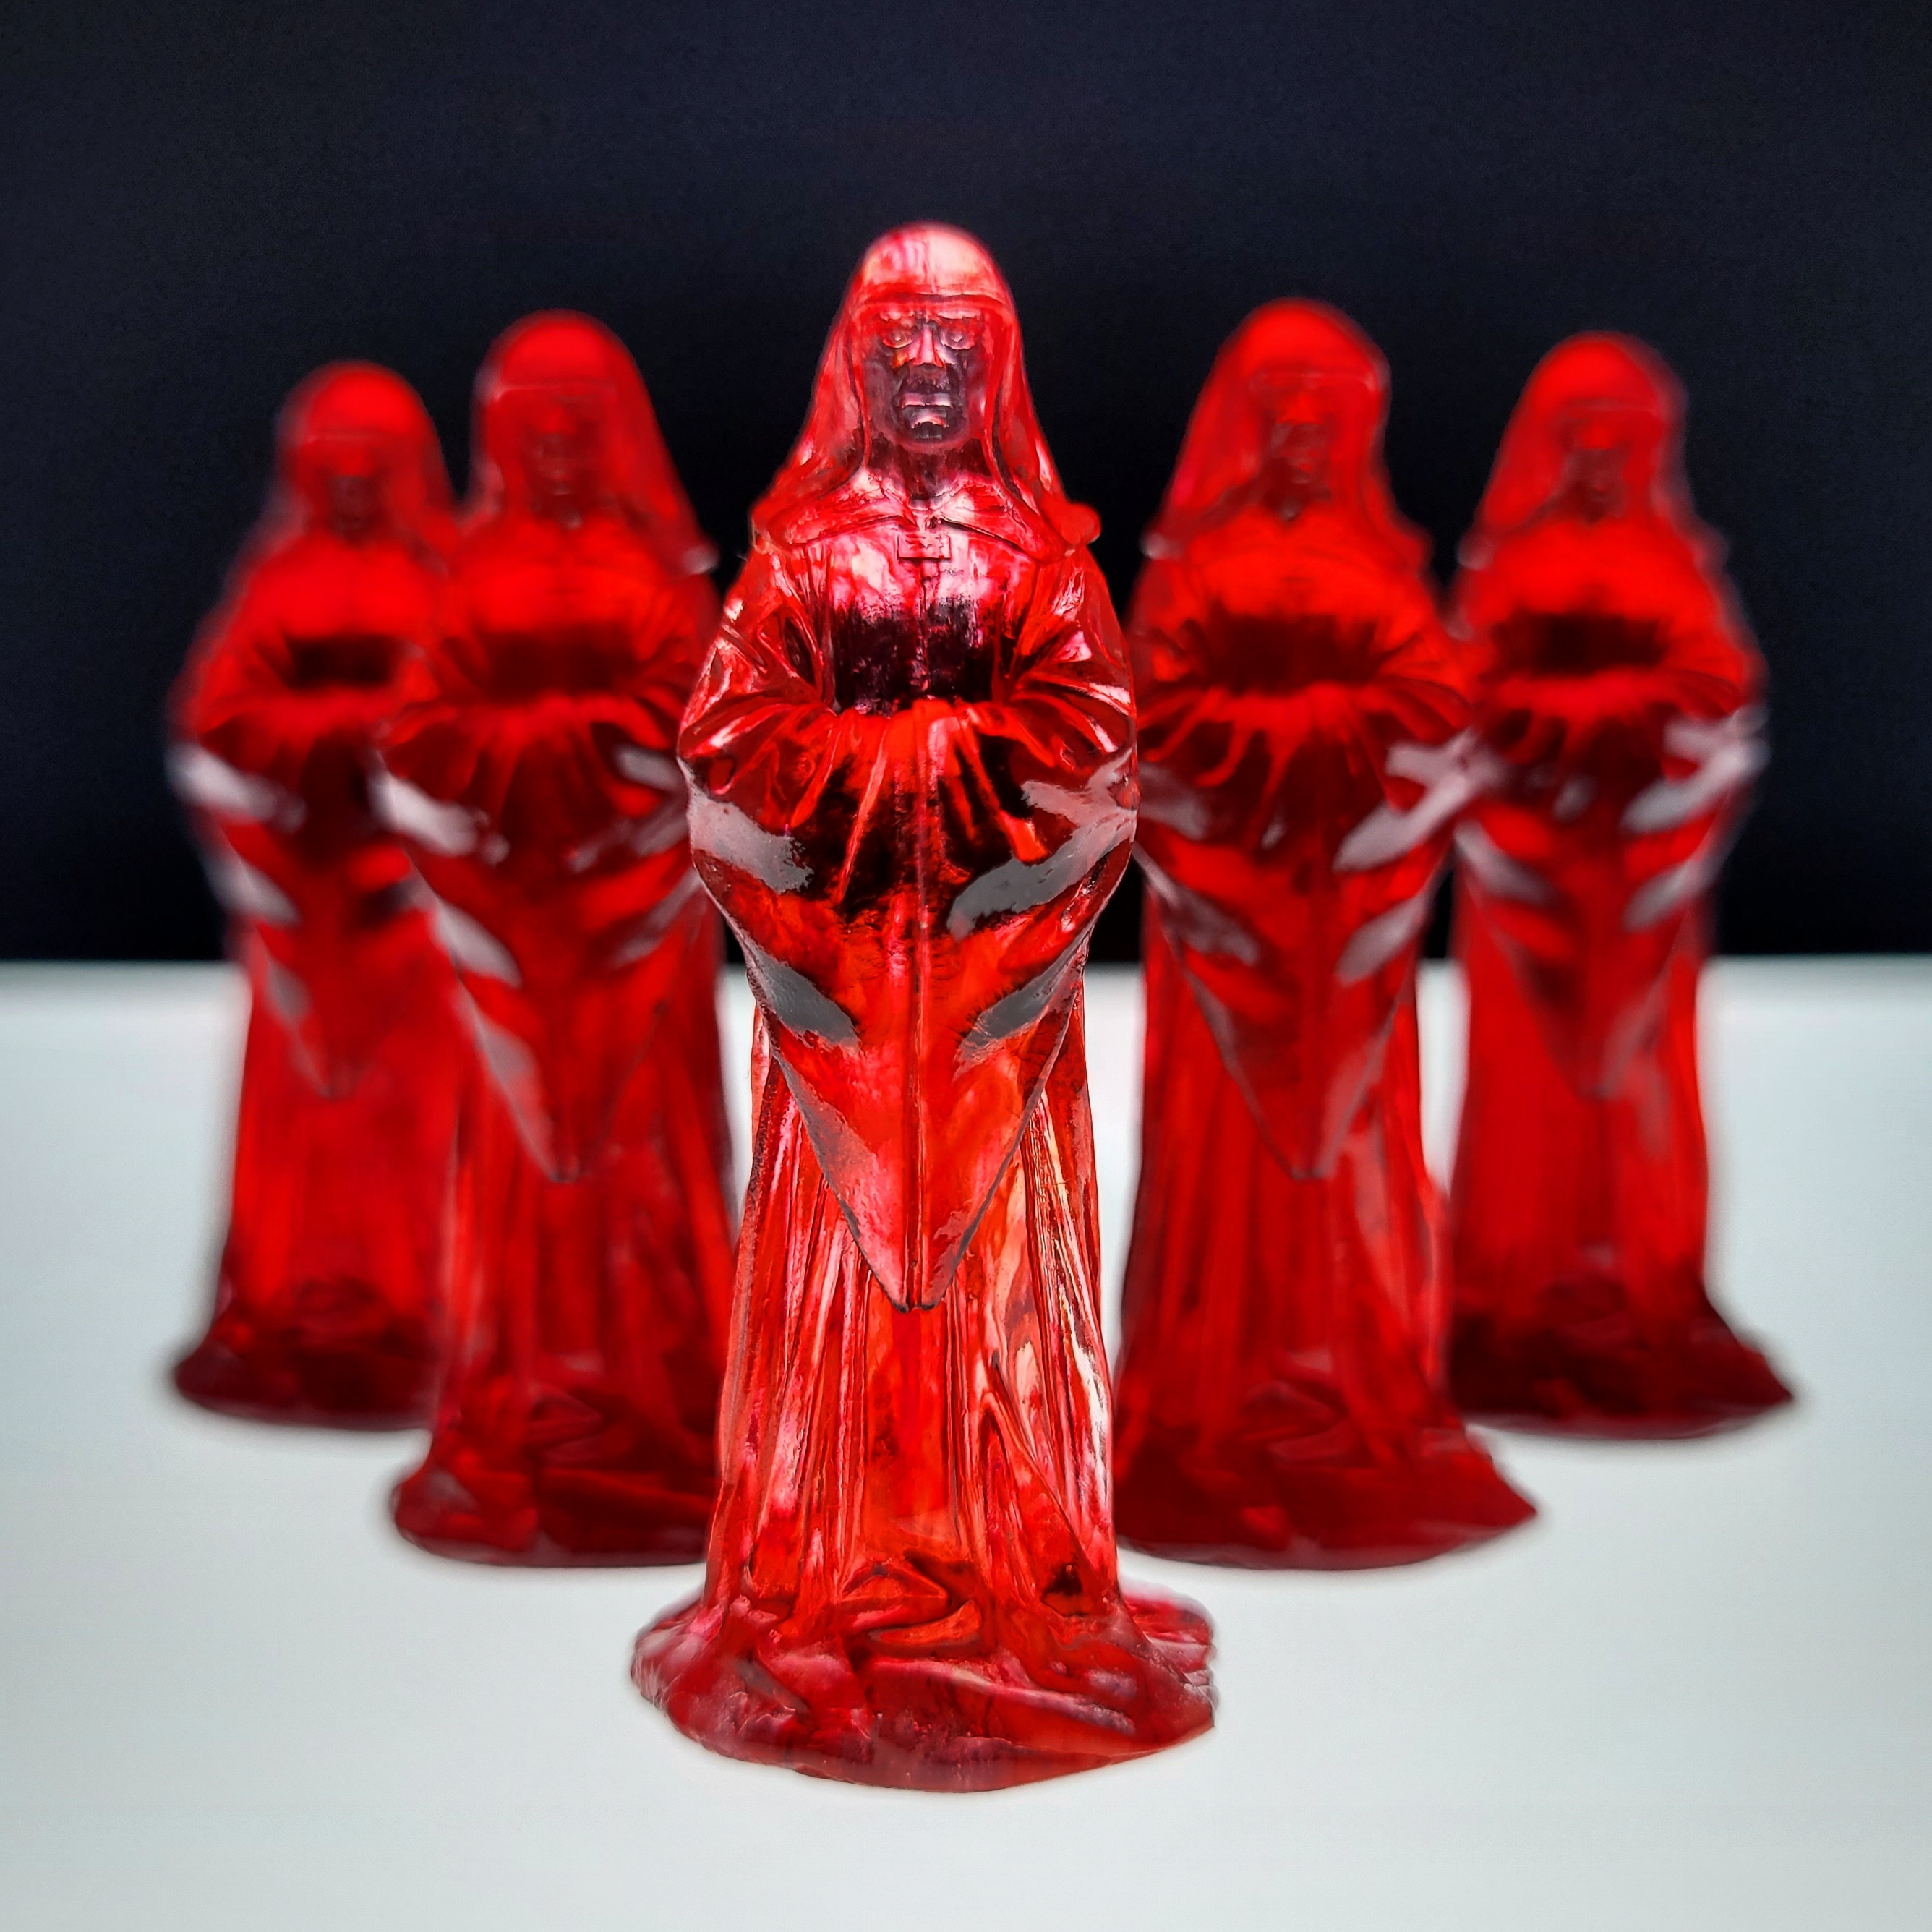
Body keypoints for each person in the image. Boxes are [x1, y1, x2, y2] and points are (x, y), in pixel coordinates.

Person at [634, 226, 1214, 1788]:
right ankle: (827, 1566)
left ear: (1001, 371)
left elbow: (1093, 756)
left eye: (962, 347)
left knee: (996, 1275)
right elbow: (726, 750)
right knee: (840, 1260)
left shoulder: (1046, 565)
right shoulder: (795, 561)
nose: (932, 372)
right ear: (857, 371)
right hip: (845, 998)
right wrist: (921, 773)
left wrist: (915, 778)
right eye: (903, 348)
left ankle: (1004, 1560)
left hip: (986, 1015)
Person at [1111, 302, 1533, 1566]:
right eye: (1277, 414)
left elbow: (1437, 717)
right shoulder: (1190, 570)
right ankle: (1212, 1392)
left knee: (1347, 1152)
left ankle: (1349, 1379)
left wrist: (1321, 740)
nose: (1299, 436)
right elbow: (1149, 725)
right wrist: (1309, 733)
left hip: (1347, 919)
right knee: (1225, 1148)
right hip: (1222, 917)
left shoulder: (1385, 571)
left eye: (1323, 416)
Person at [379, 313, 736, 1561]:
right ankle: (524, 1405)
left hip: (644, 922)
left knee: (645, 1156)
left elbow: (706, 736)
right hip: (515, 922)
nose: (560, 450)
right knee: (527, 1163)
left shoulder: (664, 579)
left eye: (582, 428)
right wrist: (544, 754)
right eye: (535, 429)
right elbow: (416, 740)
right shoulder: (464, 578)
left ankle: (670, 1416)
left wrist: (553, 749)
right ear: (498, 439)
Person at [1447, 333, 1792, 1435]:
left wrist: (1611, 730)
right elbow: (1461, 701)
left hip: (1637, 884)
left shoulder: (1678, 568)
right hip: (1527, 879)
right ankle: (1514, 1283)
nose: (1598, 456)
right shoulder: (1506, 571)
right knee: (1529, 1086)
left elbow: (1722, 698)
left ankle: (1634, 1276)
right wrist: (1573, 729)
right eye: (1579, 435)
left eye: (1620, 437)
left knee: (1634, 1082)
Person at [171, 363, 463, 1428]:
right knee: (308, 1105)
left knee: (410, 1108)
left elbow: (461, 720)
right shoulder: (275, 584)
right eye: (332, 464)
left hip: (410, 903)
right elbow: (215, 724)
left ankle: (422, 1303)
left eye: (371, 465)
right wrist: (336, 734)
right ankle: (296, 1299)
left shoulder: (443, 582)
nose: (352, 483)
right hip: (307, 902)